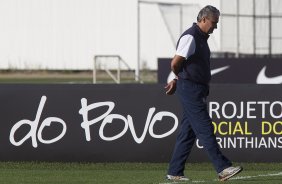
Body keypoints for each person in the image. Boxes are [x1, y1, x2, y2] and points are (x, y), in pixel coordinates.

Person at [165, 5, 242, 182]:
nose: (215, 27)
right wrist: (179, 78)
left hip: (194, 87)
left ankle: (175, 171)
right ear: (204, 19)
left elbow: (186, 64)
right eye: (214, 23)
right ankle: (223, 168)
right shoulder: (191, 36)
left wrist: (180, 78)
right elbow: (175, 63)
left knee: (188, 132)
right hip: (190, 88)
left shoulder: (201, 37)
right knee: (205, 127)